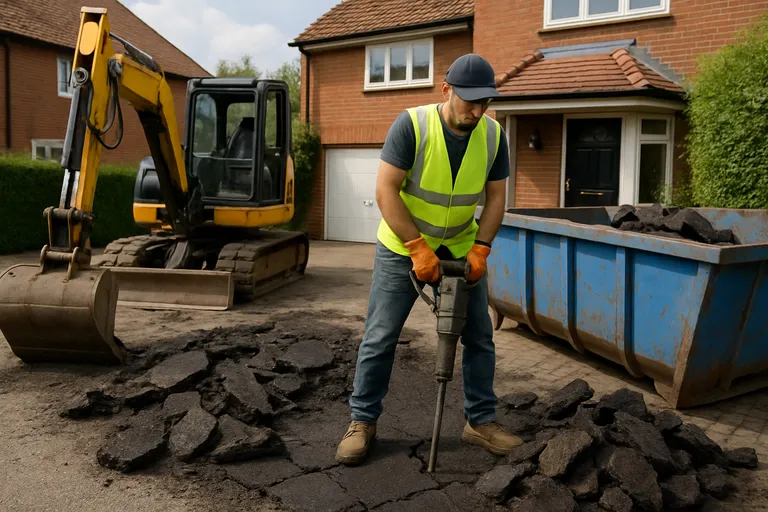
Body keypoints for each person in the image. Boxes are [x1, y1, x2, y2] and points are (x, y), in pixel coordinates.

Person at [335, 53, 523, 465]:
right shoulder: (413, 125)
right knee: (380, 336)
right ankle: (363, 421)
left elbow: (495, 198)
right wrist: (417, 248)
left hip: (460, 247)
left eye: (484, 102)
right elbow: (386, 190)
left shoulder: (493, 136)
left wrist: (482, 247)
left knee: (479, 337)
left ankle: (480, 422)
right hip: (402, 247)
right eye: (468, 100)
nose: (476, 110)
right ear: (445, 90)